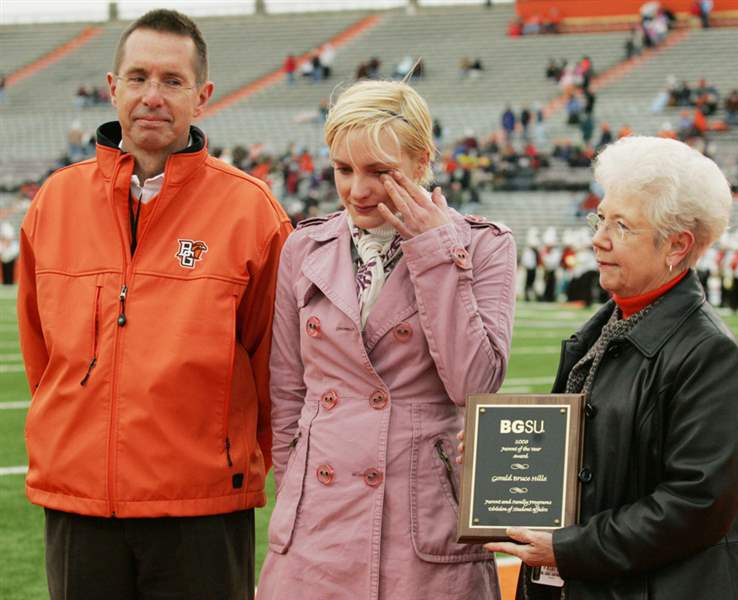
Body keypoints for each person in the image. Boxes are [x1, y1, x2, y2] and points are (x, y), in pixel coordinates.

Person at [17, 10, 291, 600]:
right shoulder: (55, 201)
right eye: (138, 77)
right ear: (113, 87)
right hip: (80, 502)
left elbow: (275, 366)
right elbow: (40, 355)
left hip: (202, 508)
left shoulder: (251, 211)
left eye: (172, 81)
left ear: (202, 96)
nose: (152, 96)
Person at [257, 78, 517, 599]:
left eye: (379, 170)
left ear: (422, 162)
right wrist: (296, 495)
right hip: (317, 523)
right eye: (343, 170)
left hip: (422, 515)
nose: (358, 190)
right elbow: (286, 394)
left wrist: (433, 248)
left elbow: (476, 384)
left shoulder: (484, 246)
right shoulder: (303, 247)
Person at [475, 136, 738, 599]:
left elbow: (696, 503)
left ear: (677, 245)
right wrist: (495, 448)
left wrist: (571, 547)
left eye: (622, 226)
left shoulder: (709, 354)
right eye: (601, 218)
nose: (598, 238)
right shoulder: (608, 327)